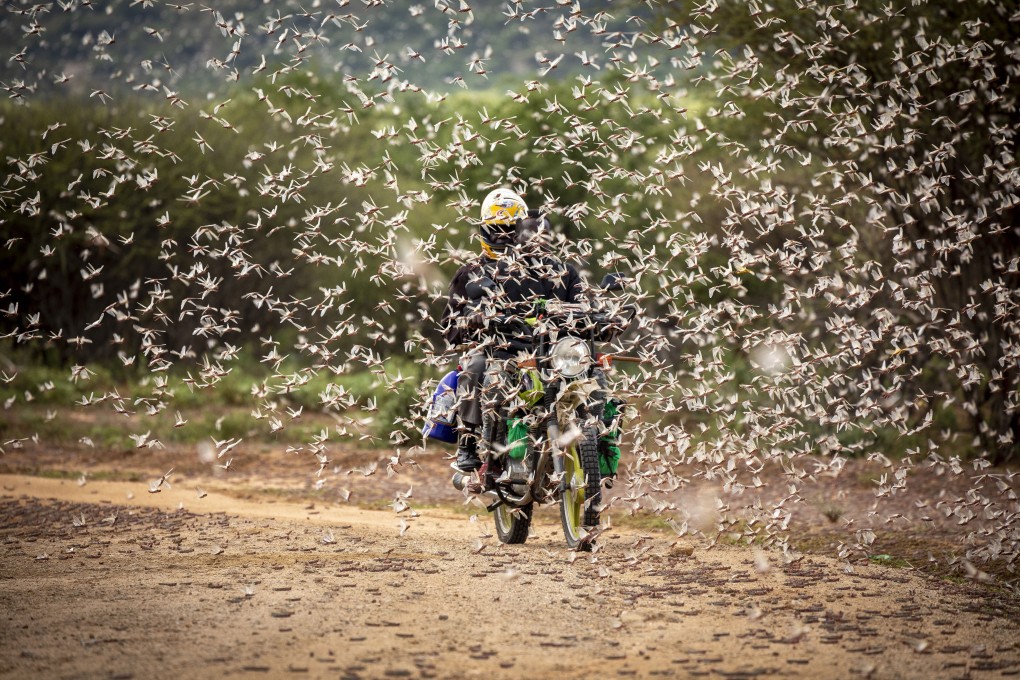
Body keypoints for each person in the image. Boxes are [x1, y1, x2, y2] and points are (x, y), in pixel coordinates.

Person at [441, 188, 585, 472]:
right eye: (496, 230)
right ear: (483, 230)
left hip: (551, 354)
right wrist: (472, 319)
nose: (502, 237)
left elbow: (584, 306)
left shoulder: (558, 270)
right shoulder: (472, 272)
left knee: (595, 375)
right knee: (475, 366)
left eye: (510, 230)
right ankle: (468, 444)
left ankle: (594, 448)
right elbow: (449, 327)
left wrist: (605, 316)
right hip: (498, 351)